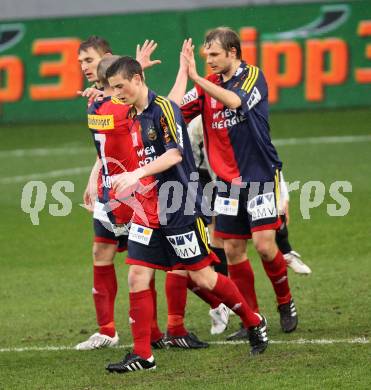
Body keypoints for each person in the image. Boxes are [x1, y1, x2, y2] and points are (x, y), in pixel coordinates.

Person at [104, 56, 268, 374]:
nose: (117, 93)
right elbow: (173, 105)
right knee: (137, 274)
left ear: (137, 80)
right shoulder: (134, 113)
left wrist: (136, 174)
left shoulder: (161, 108)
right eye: (112, 88)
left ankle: (253, 320)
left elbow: (175, 153)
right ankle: (143, 355)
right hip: (148, 210)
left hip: (179, 206)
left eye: (120, 86)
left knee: (202, 277)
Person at [175, 27, 298, 335]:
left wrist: (198, 79)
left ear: (232, 52)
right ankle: (253, 318)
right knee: (232, 251)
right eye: (206, 55)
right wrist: (182, 72)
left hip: (259, 175)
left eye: (214, 54)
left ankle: (285, 301)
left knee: (265, 247)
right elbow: (172, 109)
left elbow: (234, 102)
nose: (210, 60)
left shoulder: (253, 76)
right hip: (227, 184)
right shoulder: (205, 86)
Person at [75, 37, 164, 350]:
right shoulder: (95, 101)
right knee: (101, 253)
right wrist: (93, 176)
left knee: (161, 262)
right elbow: (105, 147)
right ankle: (107, 330)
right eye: (81, 62)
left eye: (88, 60)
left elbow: (145, 110)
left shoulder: (121, 98)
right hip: (108, 193)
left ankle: (161, 329)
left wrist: (142, 73)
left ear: (107, 59)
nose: (84, 67)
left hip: (137, 193)